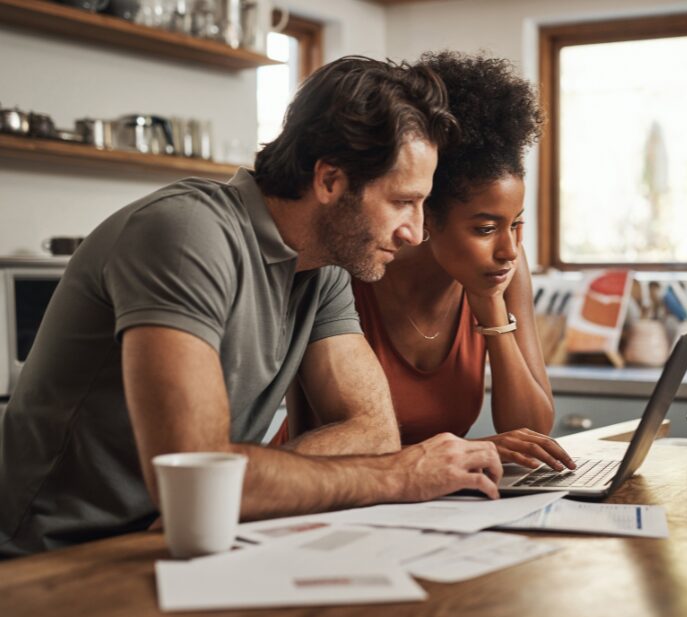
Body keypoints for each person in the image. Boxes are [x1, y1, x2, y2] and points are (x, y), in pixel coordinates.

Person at [0, 56, 503, 558]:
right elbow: (197, 476)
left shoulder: (323, 267)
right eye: (401, 202)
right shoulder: (186, 235)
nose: (414, 232)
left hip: (188, 541)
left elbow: (372, 431)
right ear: (330, 181)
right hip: (52, 559)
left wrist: (243, 484)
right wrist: (398, 476)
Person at [285, 52, 574, 473]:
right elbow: (321, 436)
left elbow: (533, 431)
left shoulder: (502, 270)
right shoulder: (351, 267)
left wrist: (490, 305)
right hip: (327, 491)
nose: (509, 249)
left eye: (516, 224)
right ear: (426, 214)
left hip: (433, 498)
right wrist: (471, 450)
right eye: (484, 228)